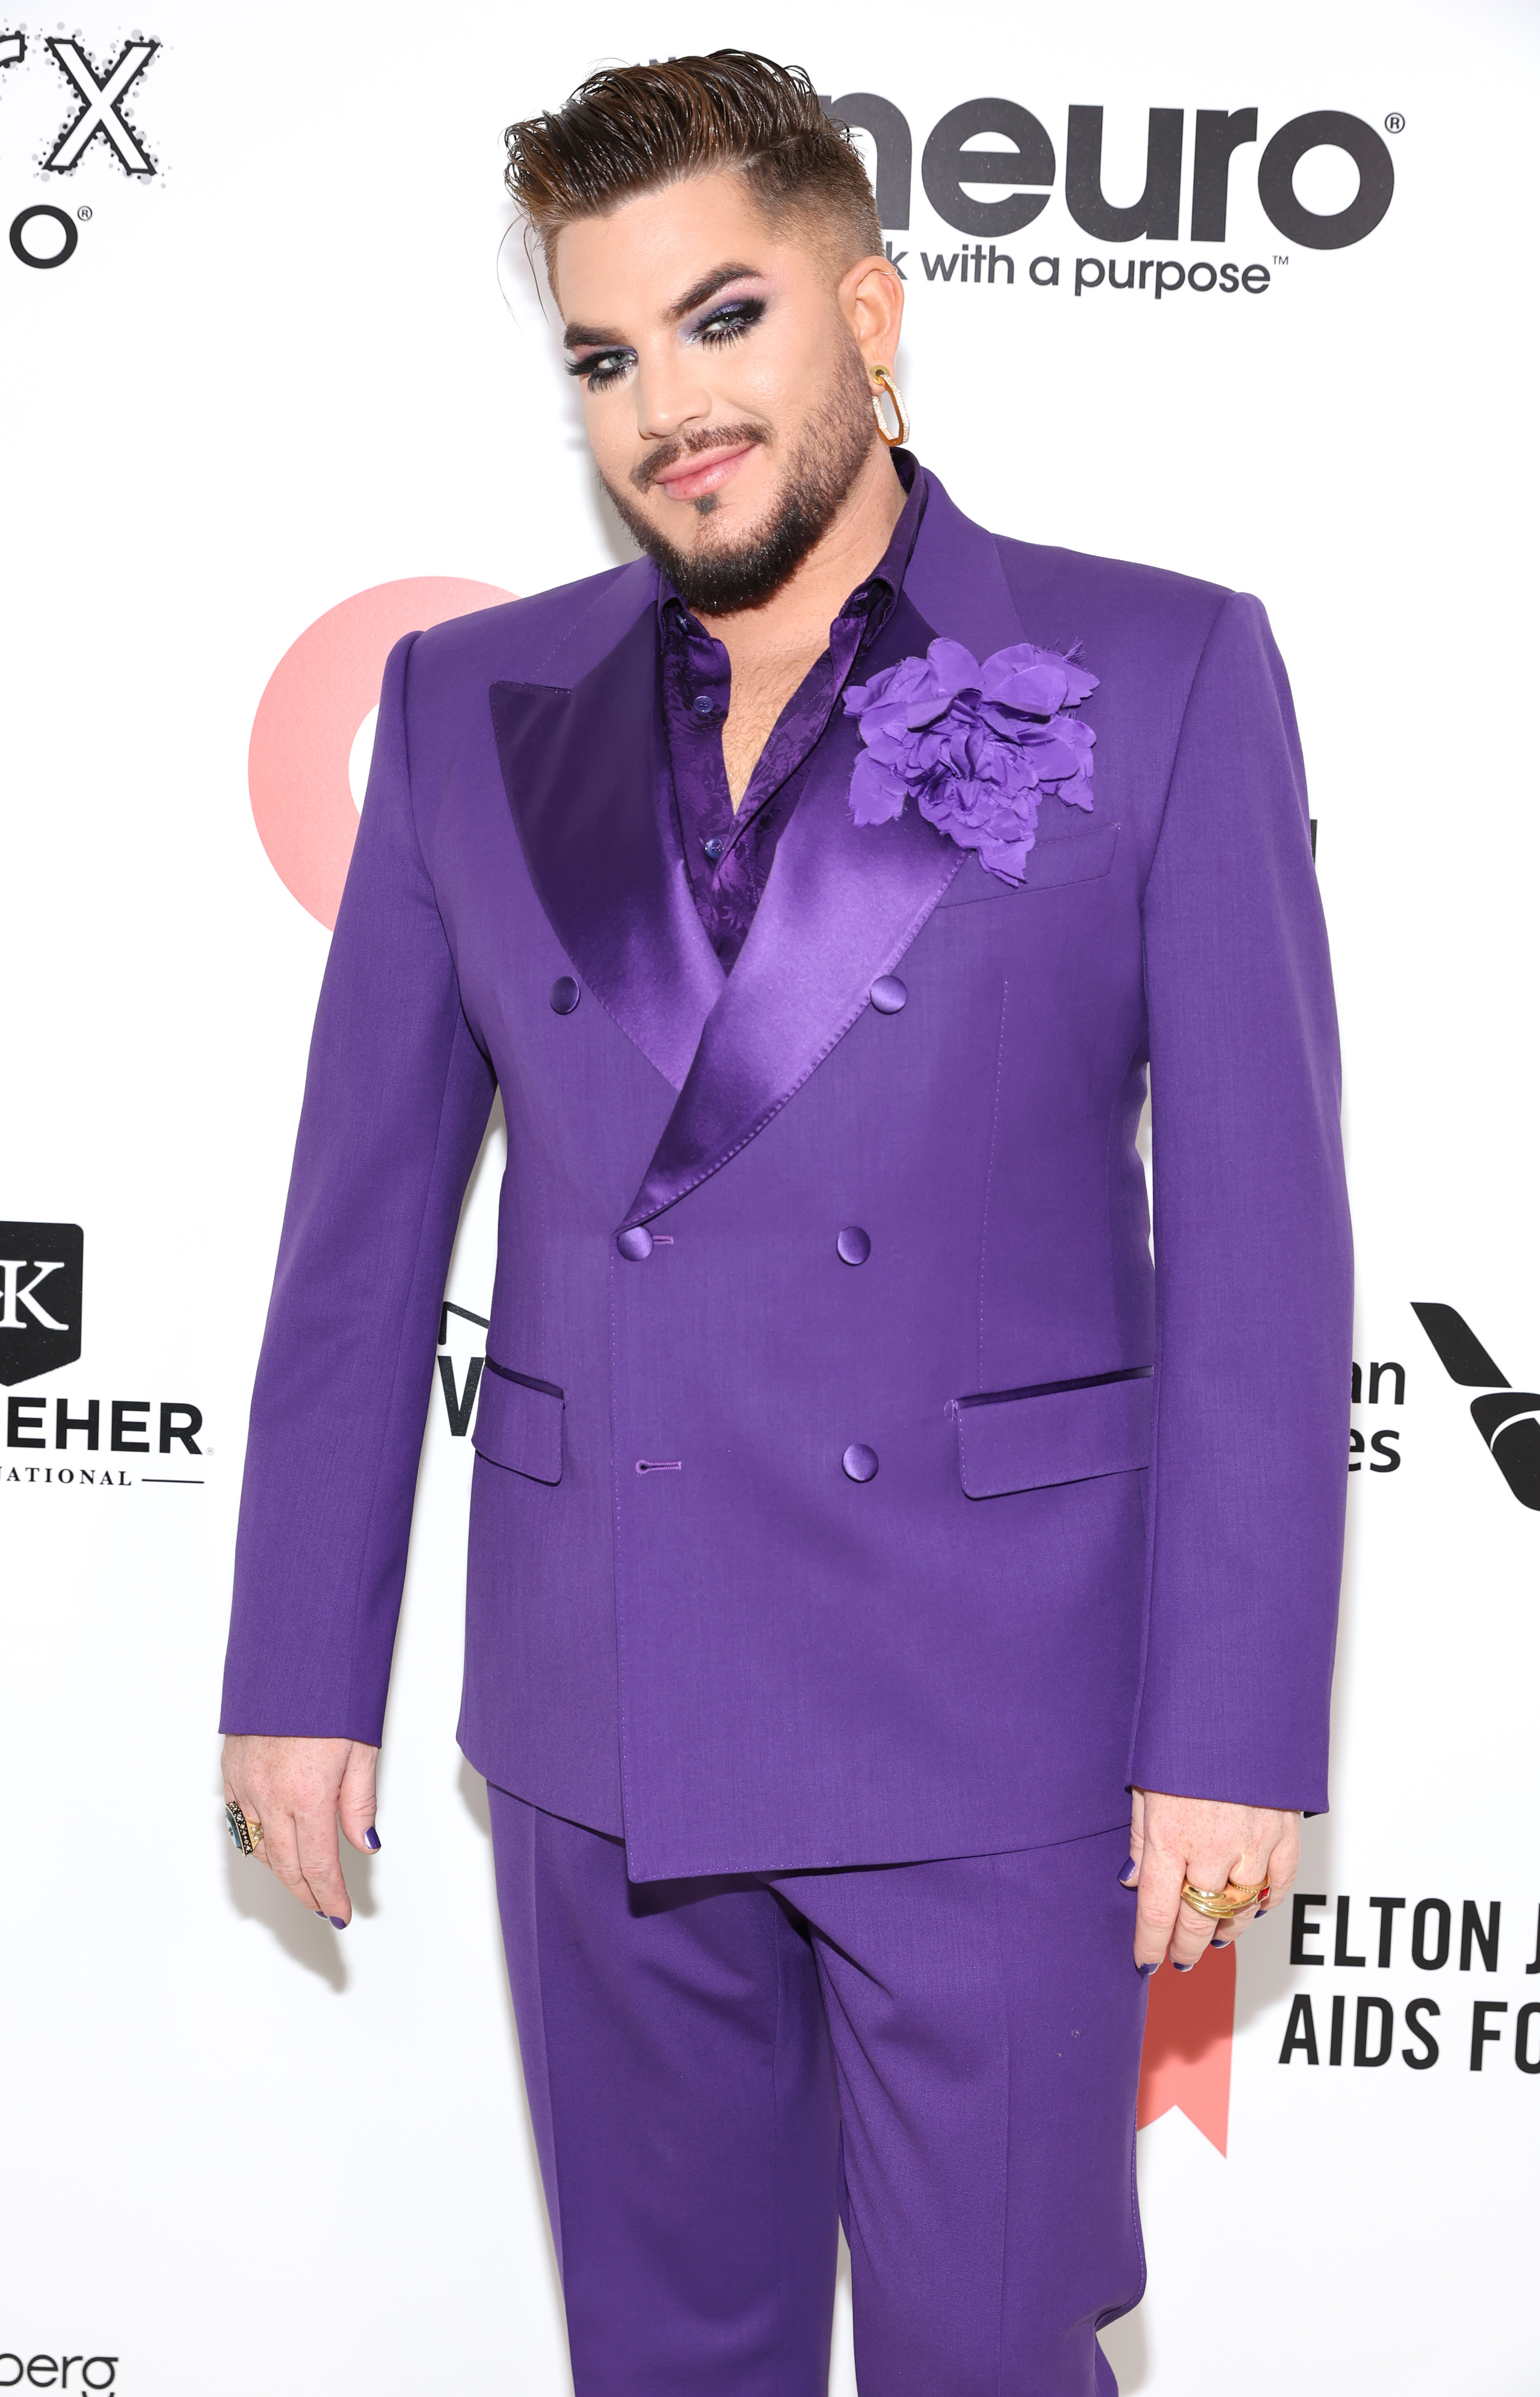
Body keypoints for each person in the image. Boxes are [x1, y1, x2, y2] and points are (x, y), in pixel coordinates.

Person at [220, 50, 1352, 2396]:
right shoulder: (466, 705)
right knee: (672, 2367)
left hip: (1000, 1733)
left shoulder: (1148, 674)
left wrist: (1232, 1727)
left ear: (871, 310)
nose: (668, 410)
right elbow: (354, 1247)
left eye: (721, 323)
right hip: (598, 1702)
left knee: (988, 2361)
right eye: (606, 356)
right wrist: (297, 1674)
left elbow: (1264, 1256)